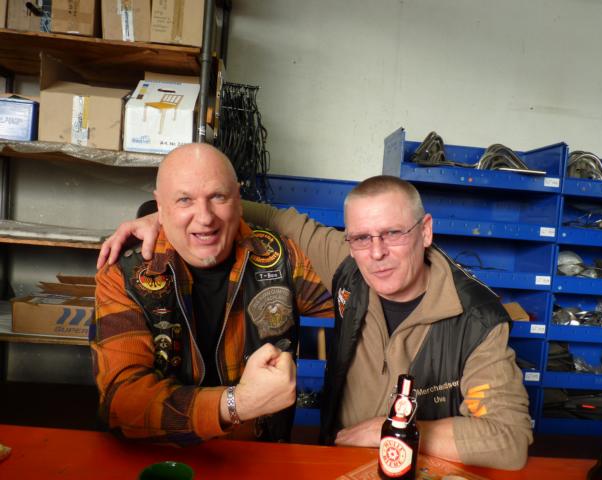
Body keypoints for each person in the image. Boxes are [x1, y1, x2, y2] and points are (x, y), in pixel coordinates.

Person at [98, 175, 532, 469]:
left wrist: (393, 432)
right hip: (339, 466)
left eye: (393, 233)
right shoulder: (349, 262)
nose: (376, 252)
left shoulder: (478, 319)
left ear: (425, 231)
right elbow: (270, 217)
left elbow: (509, 441)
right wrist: (168, 216)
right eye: (361, 237)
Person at [91, 143, 332, 446]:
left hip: (260, 457)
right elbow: (123, 404)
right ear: (160, 207)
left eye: (218, 196)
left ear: (238, 201)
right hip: (160, 457)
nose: (204, 217)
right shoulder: (123, 275)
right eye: (184, 200)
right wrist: (236, 404)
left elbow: (359, 298)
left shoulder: (281, 260)